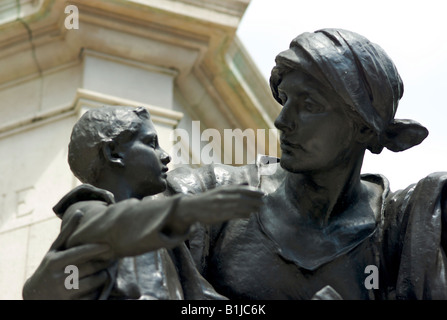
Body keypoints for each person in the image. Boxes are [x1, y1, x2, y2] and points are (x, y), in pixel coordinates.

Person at [24, 28, 447, 300]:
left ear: (362, 129)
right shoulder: (205, 193)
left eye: (310, 105)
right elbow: (74, 271)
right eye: (285, 101)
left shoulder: (403, 230)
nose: (283, 120)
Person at [22, 105, 264, 300]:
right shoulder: (85, 210)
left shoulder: (169, 245)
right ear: (114, 153)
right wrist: (184, 210)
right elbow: (111, 226)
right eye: (151, 144)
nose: (165, 155)